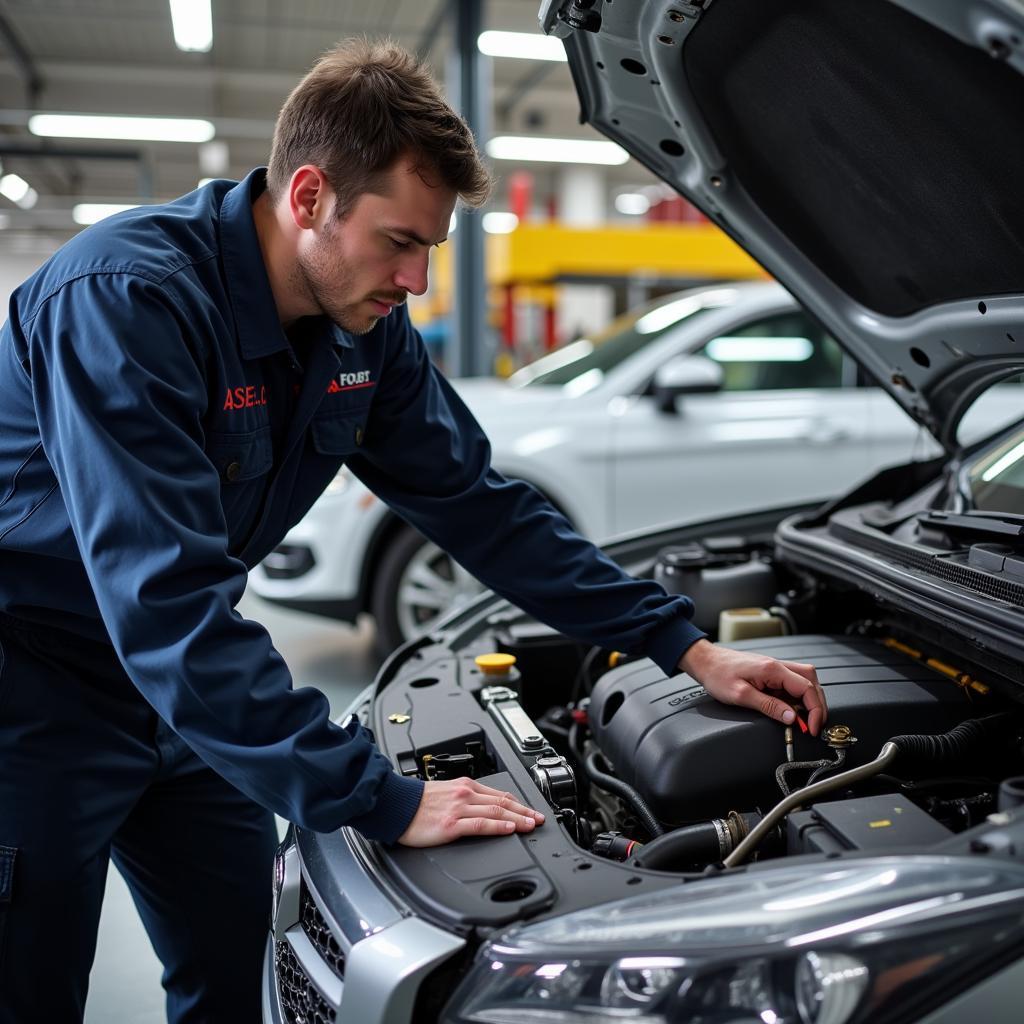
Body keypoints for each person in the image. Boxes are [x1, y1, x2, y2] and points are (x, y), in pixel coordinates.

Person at [0, 38, 826, 1024]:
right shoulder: (127, 301)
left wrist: (680, 642)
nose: (417, 279)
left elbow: (481, 505)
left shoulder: (362, 332)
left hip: (188, 703)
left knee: (235, 968)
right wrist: (380, 797)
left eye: (429, 247)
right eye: (398, 240)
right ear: (310, 197)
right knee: (29, 987)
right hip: (32, 695)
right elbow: (162, 597)